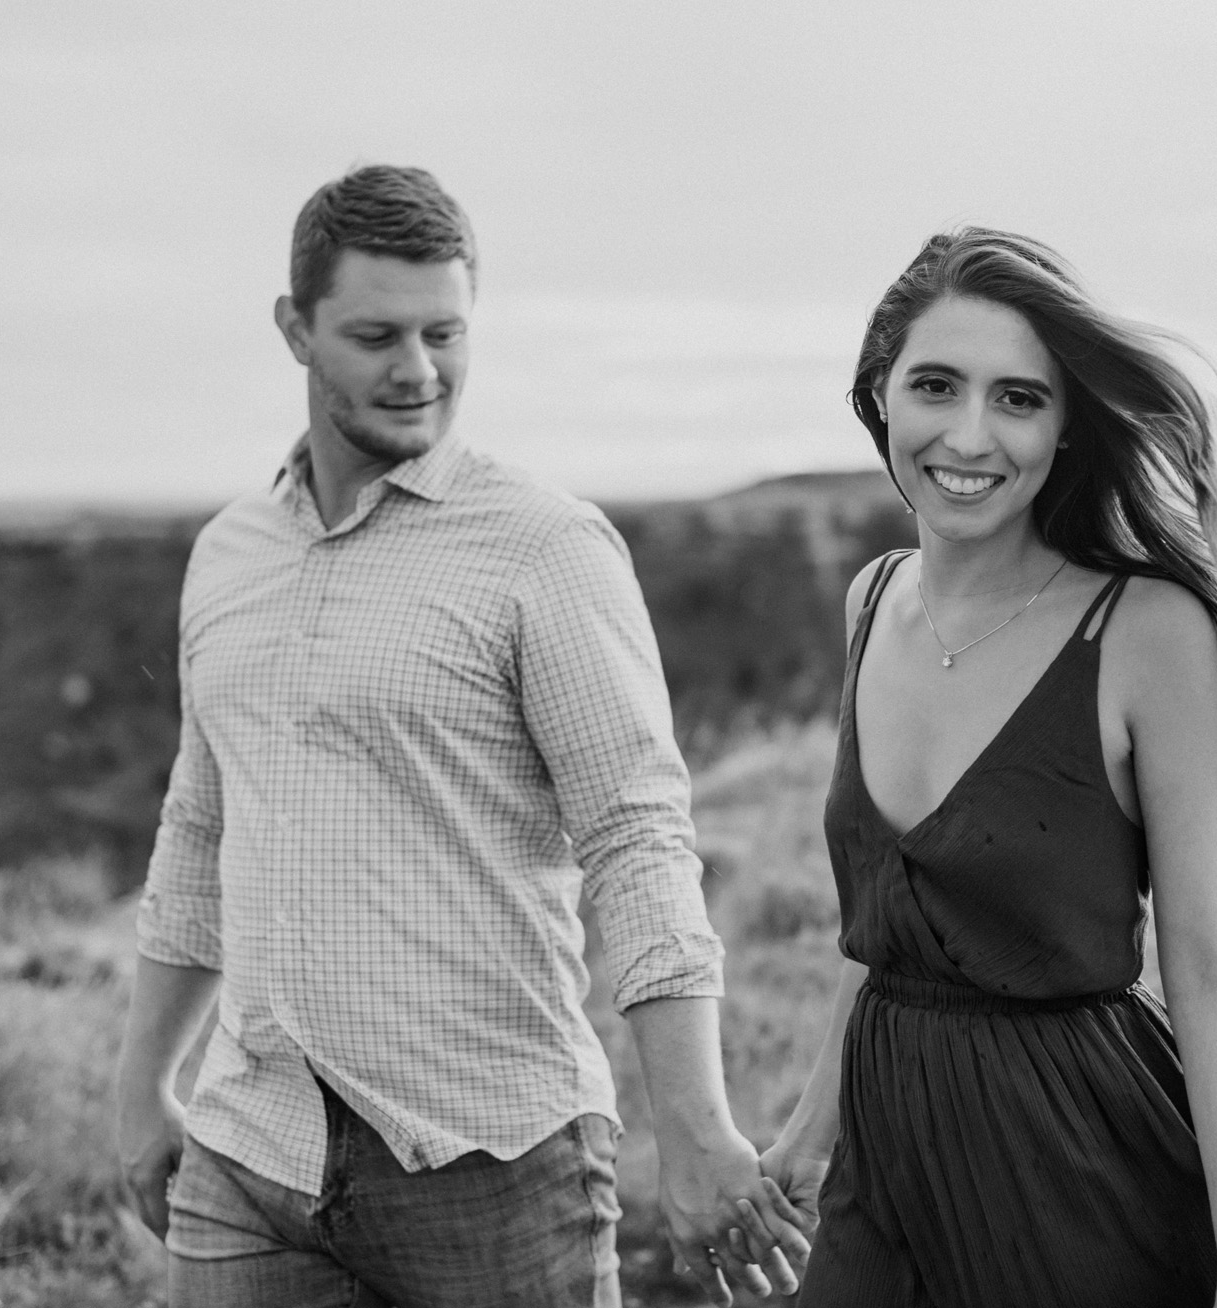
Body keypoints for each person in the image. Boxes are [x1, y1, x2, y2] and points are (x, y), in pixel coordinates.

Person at [747, 228, 1217, 1306]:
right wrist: (808, 1130)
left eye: (1018, 398)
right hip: (887, 1164)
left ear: (1064, 429)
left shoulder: (1146, 632)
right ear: (879, 398)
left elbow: (1206, 962)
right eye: (935, 386)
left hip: (1073, 1163)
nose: (969, 434)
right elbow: (881, 925)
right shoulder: (874, 598)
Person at [114, 164, 808, 1308]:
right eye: (376, 335)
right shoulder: (228, 555)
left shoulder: (544, 548)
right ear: (295, 329)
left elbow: (636, 840)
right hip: (251, 1153)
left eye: (446, 332)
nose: (419, 370)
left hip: (490, 1161)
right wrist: (145, 1086)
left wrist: (692, 1125)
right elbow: (198, 830)